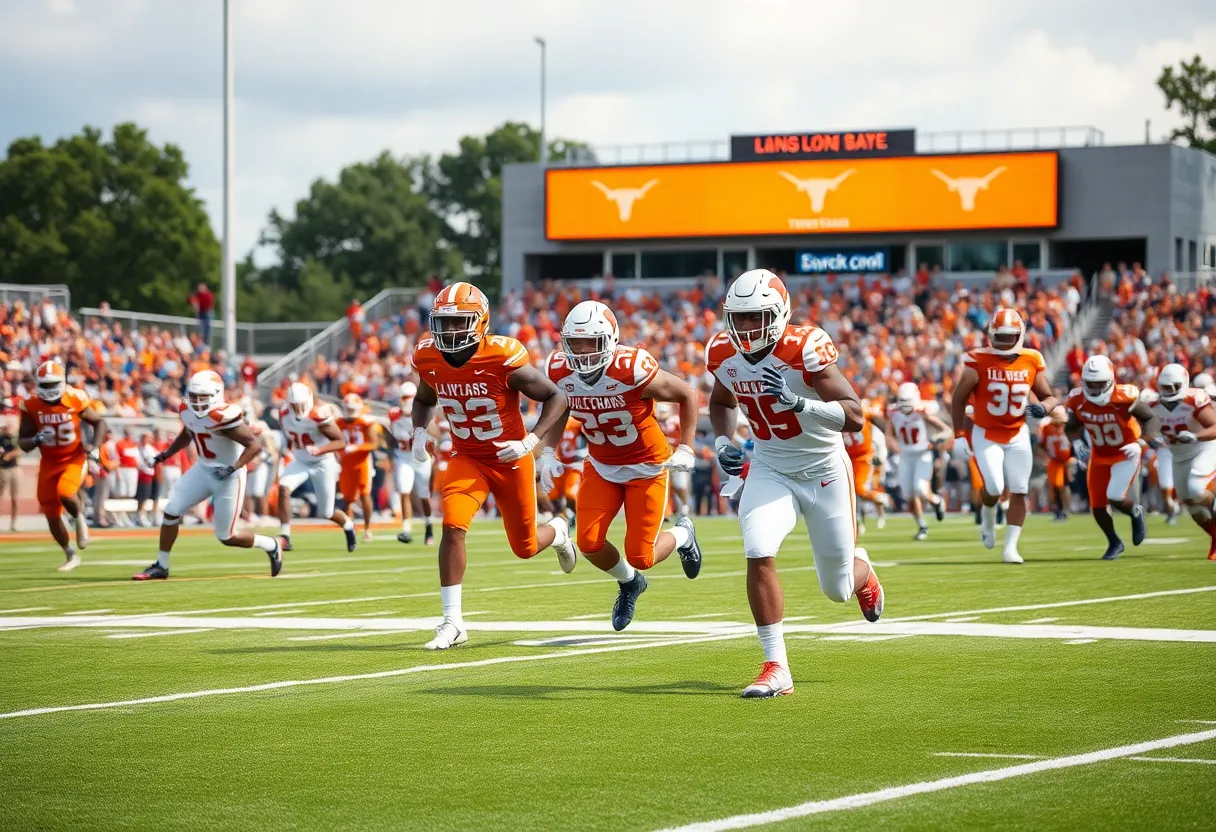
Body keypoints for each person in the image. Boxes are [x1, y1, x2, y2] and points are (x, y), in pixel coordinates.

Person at [706, 269, 883, 699]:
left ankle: (864, 573)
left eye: (757, 317)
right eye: (740, 318)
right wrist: (724, 440)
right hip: (770, 466)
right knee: (758, 548)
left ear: (781, 313)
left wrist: (799, 402)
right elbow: (721, 401)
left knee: (837, 589)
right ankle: (776, 665)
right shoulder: (721, 352)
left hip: (823, 469)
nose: (747, 328)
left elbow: (856, 415)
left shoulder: (803, 348)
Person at [410, 282, 576, 651]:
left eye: (459, 322)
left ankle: (560, 531)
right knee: (452, 525)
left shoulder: (501, 356)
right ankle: (452, 621)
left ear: (481, 322)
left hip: (509, 458)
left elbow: (557, 395)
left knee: (526, 546)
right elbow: (424, 398)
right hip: (466, 457)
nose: (450, 331)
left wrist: (531, 441)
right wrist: (419, 430)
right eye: (445, 322)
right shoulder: (427, 356)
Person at [540, 300, 702, 630]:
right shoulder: (559, 369)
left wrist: (686, 446)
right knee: (588, 543)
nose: (583, 352)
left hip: (647, 466)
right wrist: (547, 453)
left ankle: (683, 534)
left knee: (643, 555)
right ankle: (630, 582)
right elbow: (560, 407)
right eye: (576, 343)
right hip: (601, 464)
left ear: (611, 341)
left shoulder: (631, 367)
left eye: (592, 343)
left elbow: (688, 394)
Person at [132, 371, 283, 580]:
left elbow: (253, 445)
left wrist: (233, 467)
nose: (197, 401)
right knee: (171, 511)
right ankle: (161, 565)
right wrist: (166, 454)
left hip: (228, 476)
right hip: (203, 469)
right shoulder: (187, 410)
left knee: (226, 536)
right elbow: (188, 433)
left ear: (216, 395)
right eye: (193, 396)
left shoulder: (223, 416)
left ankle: (271, 544)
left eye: (202, 397)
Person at [951, 308, 1058, 564]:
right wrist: (958, 435)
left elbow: (1050, 397)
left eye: (1010, 336)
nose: (1004, 341)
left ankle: (1010, 547)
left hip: (1018, 433)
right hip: (986, 433)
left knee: (1020, 490)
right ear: (990, 334)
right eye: (999, 336)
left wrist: (1044, 408)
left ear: (1019, 334)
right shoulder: (977, 359)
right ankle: (988, 514)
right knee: (995, 488)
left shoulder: (1031, 359)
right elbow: (958, 399)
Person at [17, 360, 107, 570]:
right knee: (50, 510)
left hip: (73, 457)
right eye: (45, 385)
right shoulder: (30, 404)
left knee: (65, 492)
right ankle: (70, 554)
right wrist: (37, 439)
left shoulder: (75, 397)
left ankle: (79, 518)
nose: (49, 390)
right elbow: (23, 442)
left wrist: (95, 447)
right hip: (49, 462)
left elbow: (99, 422)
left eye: (52, 385)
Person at [1063, 356, 1155, 560]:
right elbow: (1071, 427)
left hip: (1125, 452)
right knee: (1096, 505)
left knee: (1115, 496)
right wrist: (1076, 442)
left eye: (1100, 384)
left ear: (1111, 380)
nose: (1095, 388)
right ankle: (1114, 542)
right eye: (1090, 384)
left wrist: (1141, 442)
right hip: (1099, 453)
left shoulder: (1124, 396)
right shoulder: (1077, 399)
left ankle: (1135, 512)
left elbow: (1150, 419)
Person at [1139, 364, 1216, 559]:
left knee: (1197, 489)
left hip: (1203, 449)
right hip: (1178, 456)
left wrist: (1196, 436)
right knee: (1191, 504)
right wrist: (1149, 438)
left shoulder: (1194, 399)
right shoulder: (1154, 405)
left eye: (1172, 386)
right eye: (1164, 387)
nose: (1168, 391)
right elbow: (1149, 430)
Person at [277, 382, 358, 553]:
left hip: (323, 462)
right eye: (294, 404)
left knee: (326, 513)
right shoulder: (283, 413)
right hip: (300, 461)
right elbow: (293, 435)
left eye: (301, 404)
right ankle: (285, 536)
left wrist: (320, 449)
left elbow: (341, 441)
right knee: (283, 488)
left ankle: (348, 525)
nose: (298, 408)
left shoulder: (318, 414)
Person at [886, 382, 949, 540]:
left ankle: (936, 500)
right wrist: (895, 447)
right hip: (905, 456)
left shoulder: (922, 412)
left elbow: (946, 429)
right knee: (908, 495)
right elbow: (889, 435)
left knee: (920, 489)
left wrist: (937, 438)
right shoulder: (893, 412)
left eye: (908, 401)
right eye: (903, 401)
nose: (905, 406)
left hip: (922, 455)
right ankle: (922, 526)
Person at [388, 383, 436, 544]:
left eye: (409, 398)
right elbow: (391, 437)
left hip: (420, 457)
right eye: (404, 398)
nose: (406, 401)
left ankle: (429, 526)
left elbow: (434, 434)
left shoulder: (424, 413)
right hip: (403, 457)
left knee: (424, 494)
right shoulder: (394, 414)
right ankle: (406, 529)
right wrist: (390, 455)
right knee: (404, 490)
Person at [336, 392, 381, 543]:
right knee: (347, 499)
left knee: (364, 494)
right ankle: (350, 529)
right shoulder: (339, 422)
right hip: (346, 463)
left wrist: (357, 448)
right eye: (347, 408)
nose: (349, 411)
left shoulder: (365, 421)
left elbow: (374, 444)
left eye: (351, 408)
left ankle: (368, 528)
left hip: (362, 463)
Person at [843, 404, 890, 535]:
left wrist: (890, 434)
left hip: (864, 457)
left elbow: (881, 423)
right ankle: (858, 523)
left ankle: (882, 498)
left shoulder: (864, 411)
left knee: (859, 489)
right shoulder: (837, 413)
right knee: (851, 494)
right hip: (848, 457)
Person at [546, 415, 584, 523]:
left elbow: (589, 436)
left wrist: (582, 453)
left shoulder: (576, 422)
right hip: (557, 463)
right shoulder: (552, 420)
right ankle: (561, 521)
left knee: (571, 495)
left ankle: (579, 519)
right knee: (552, 496)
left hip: (574, 464)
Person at [1039, 406, 1072, 521]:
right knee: (1055, 486)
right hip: (1054, 461)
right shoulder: (1046, 428)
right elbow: (1041, 445)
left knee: (1065, 486)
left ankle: (1065, 510)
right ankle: (1059, 510)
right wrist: (1044, 457)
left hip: (1068, 460)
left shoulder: (1068, 427)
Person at [0, 419, 18, 531]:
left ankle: (13, 524)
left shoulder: (15, 438)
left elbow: (20, 449)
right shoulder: (1, 439)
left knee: (15, 498)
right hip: (3, 469)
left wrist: (9, 455)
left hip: (14, 468)